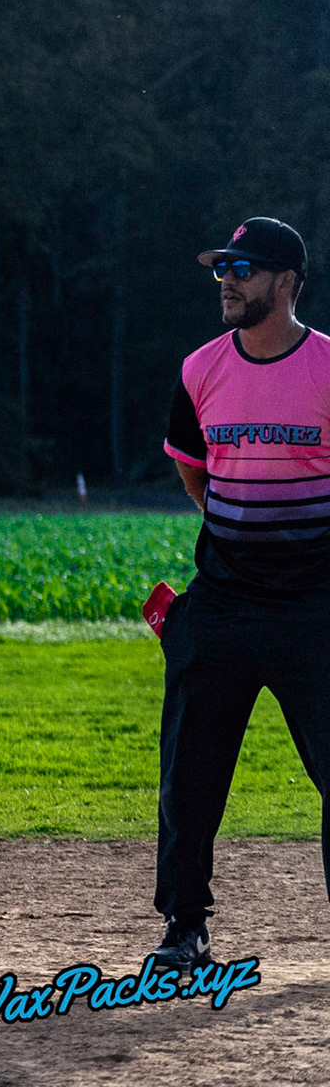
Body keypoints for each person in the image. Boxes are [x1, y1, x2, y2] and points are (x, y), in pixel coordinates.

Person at [156, 216, 330, 968]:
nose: (227, 278)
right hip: (224, 603)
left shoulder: (328, 367)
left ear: (286, 281)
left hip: (316, 607)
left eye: (245, 267)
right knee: (188, 778)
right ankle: (184, 927)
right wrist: (240, 539)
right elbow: (195, 469)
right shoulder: (199, 369)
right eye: (222, 266)